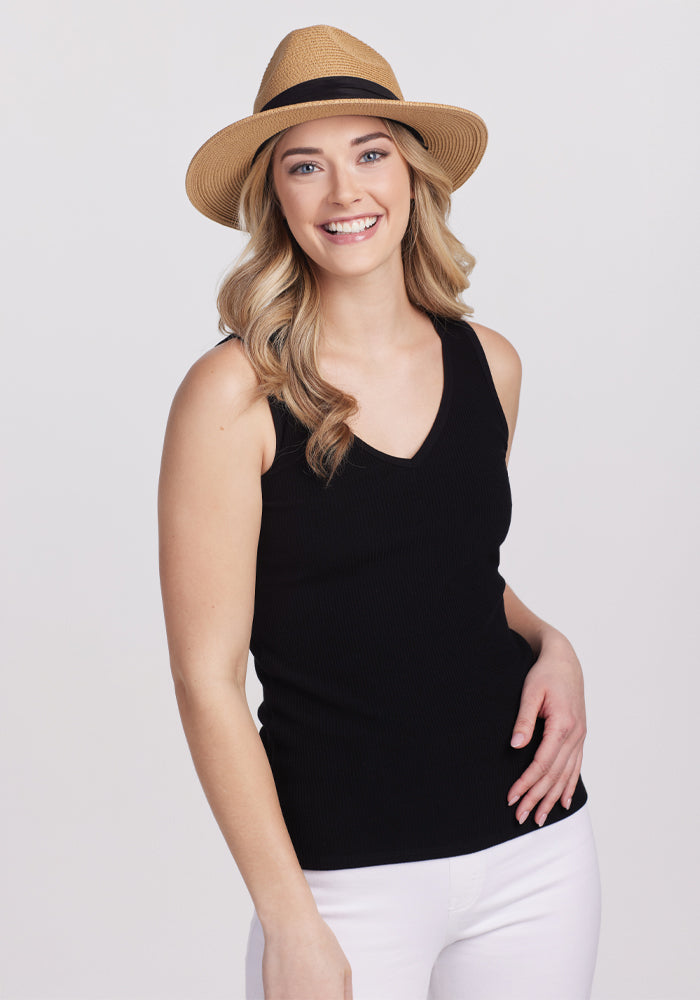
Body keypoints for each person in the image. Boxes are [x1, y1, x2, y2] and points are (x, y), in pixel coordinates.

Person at [158, 24, 602, 1000]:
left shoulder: (489, 363)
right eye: (304, 165)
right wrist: (289, 921)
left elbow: (443, 571)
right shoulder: (232, 395)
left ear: (411, 177)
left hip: (535, 855)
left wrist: (550, 641)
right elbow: (205, 679)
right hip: (342, 883)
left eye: (370, 154)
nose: (345, 191)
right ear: (274, 196)